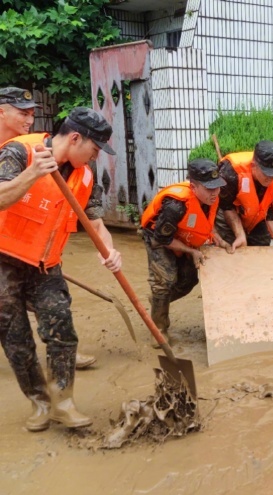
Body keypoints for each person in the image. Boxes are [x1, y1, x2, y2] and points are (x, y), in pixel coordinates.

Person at [0, 107, 122, 431]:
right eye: (95, 149)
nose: (96, 157)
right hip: (4, 261)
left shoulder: (84, 176)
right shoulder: (21, 152)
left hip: (45, 264)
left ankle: (63, 403)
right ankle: (39, 402)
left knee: (61, 328)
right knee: (17, 341)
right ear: (76, 137)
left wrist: (110, 249)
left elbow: (95, 222)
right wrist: (32, 174)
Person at [0, 87, 96, 370]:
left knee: (50, 299)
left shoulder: (24, 146)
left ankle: (61, 348)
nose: (30, 120)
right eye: (23, 113)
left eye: (32, 113)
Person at [141, 159, 231, 342]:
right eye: (209, 189)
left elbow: (205, 224)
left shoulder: (212, 199)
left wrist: (219, 240)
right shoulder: (175, 206)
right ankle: (159, 330)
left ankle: (158, 301)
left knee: (189, 280)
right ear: (194, 186)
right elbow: (162, 238)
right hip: (157, 237)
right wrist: (192, 252)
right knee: (165, 279)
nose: (214, 193)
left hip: (184, 236)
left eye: (217, 187)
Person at [215, 140, 273, 252]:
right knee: (233, 250)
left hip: (258, 216)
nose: (271, 178)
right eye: (266, 173)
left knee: (260, 250)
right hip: (230, 212)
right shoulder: (231, 171)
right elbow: (226, 206)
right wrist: (239, 234)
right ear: (254, 166)